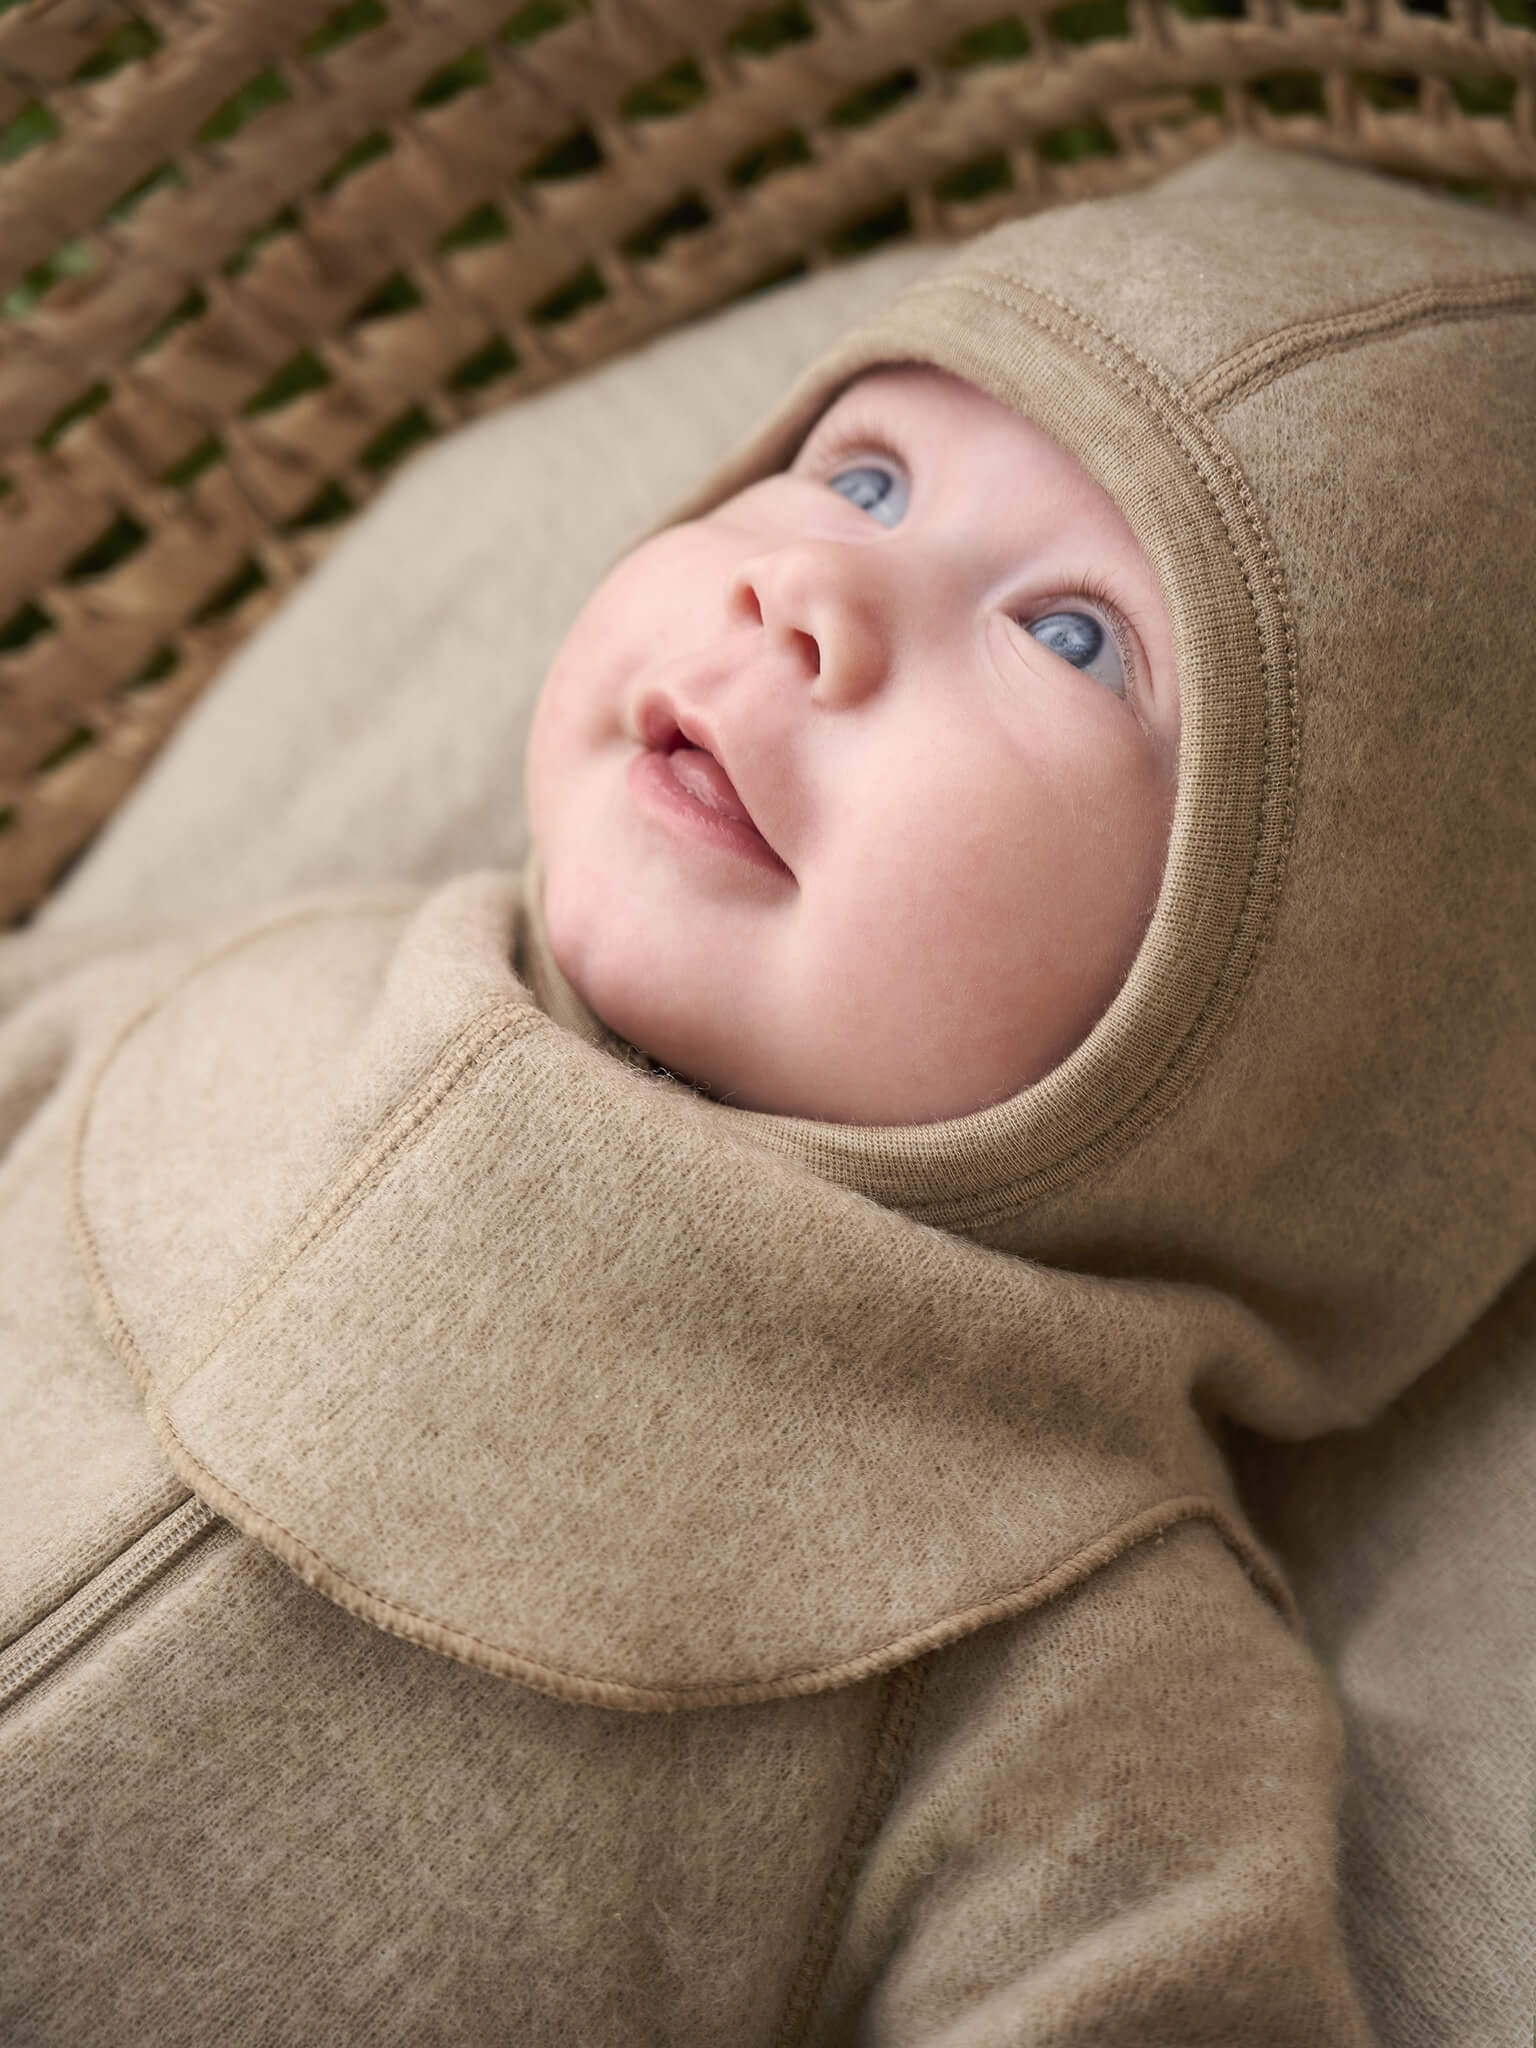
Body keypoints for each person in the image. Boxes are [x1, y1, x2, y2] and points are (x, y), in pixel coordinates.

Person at [0, 139, 1531, 2045]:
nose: (810, 588)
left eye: (1068, 635)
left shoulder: (1060, 1645)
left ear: (1267, 1040)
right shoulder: (259, 972)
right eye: (862, 474)